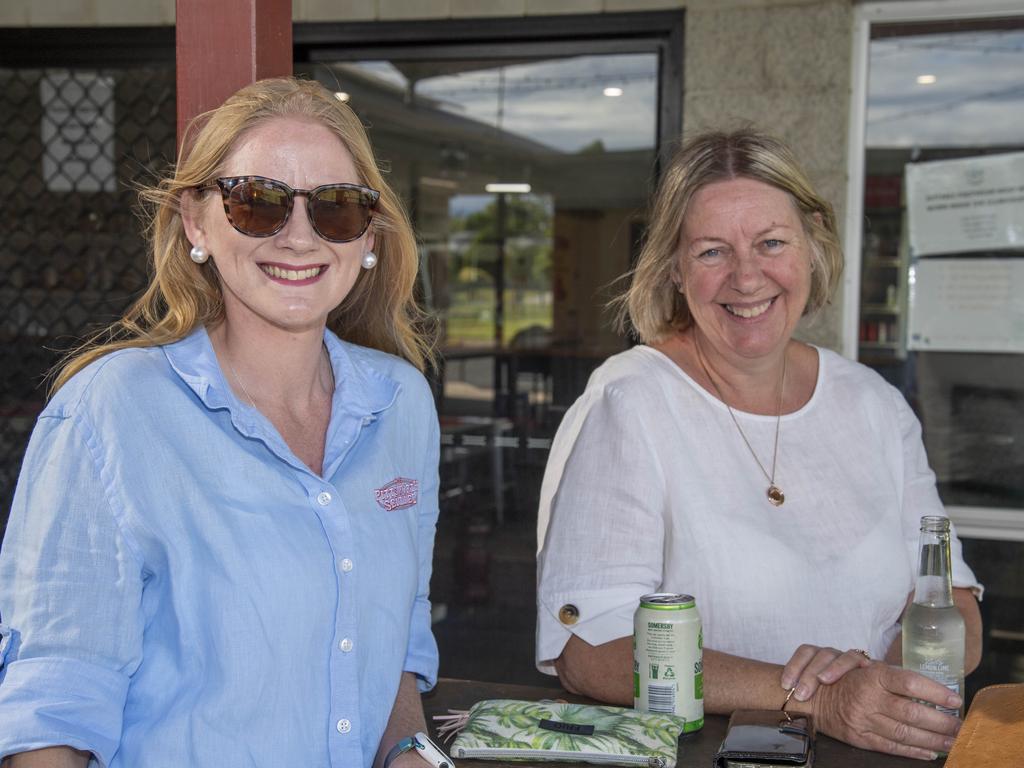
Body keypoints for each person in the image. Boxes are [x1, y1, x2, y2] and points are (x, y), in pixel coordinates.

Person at [0, 77, 441, 768]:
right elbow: (54, 701)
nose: (300, 237)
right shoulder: (111, 409)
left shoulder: (403, 404)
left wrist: (412, 753)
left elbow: (395, 638)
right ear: (197, 222)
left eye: (336, 207)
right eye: (258, 202)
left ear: (369, 236)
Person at [535, 129, 983, 761]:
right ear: (673, 268)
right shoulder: (630, 401)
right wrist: (818, 696)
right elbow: (589, 647)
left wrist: (885, 690)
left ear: (811, 248)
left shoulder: (873, 402)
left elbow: (954, 602)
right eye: (713, 251)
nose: (747, 277)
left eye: (771, 243)